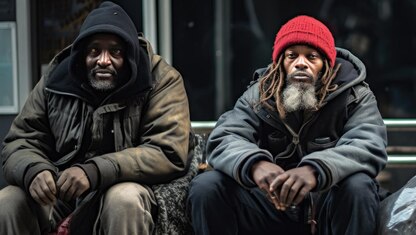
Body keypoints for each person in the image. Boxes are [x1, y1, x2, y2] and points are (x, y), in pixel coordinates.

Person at [0, 2, 191, 234]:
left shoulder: (161, 80)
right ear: (82, 55)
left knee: (124, 199)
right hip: (64, 193)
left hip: (132, 192)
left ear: (129, 54)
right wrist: (33, 170)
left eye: (115, 51)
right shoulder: (56, 78)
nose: (103, 60)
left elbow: (167, 151)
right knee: (8, 200)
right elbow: (21, 140)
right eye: (94, 51)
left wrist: (95, 171)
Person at [187, 15, 387, 235]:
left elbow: (368, 143)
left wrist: (315, 170)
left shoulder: (355, 96)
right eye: (292, 56)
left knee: (359, 186)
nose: (301, 63)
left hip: (327, 207)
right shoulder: (260, 94)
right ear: (281, 63)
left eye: (312, 56)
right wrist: (255, 165)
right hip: (270, 204)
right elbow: (225, 137)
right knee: (207, 186)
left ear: (326, 66)